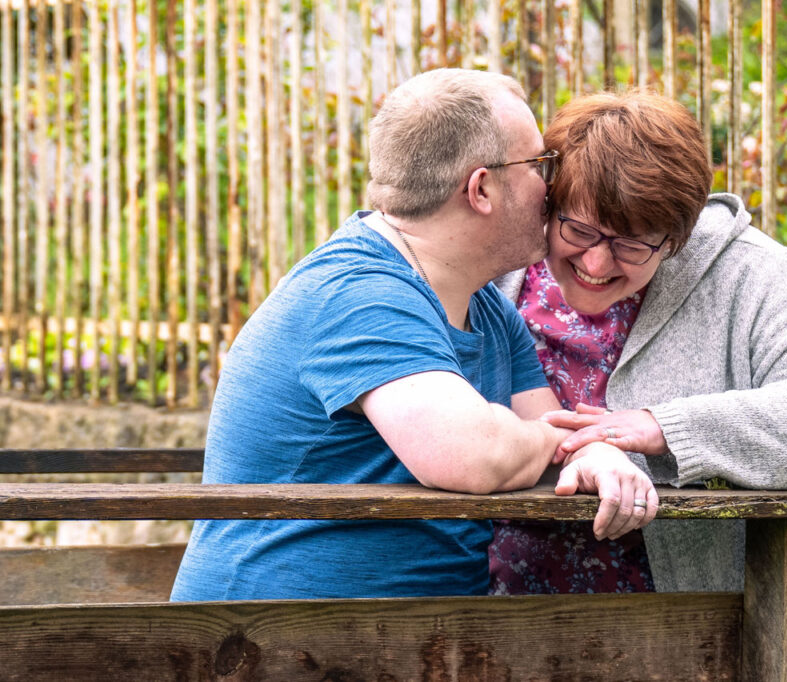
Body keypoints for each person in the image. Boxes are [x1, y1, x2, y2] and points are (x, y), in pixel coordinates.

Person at [170, 69, 658, 601]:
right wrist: (555, 442)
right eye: (540, 165)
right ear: (481, 188)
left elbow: (555, 434)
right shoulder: (359, 294)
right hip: (259, 643)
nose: (554, 185)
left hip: (411, 644)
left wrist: (596, 453)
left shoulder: (487, 307)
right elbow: (473, 454)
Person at [488, 91, 787, 594]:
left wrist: (668, 428)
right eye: (580, 229)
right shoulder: (496, 260)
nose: (595, 264)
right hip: (486, 608)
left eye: (631, 244)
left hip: (682, 626)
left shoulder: (749, 272)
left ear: (677, 236)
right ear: (550, 200)